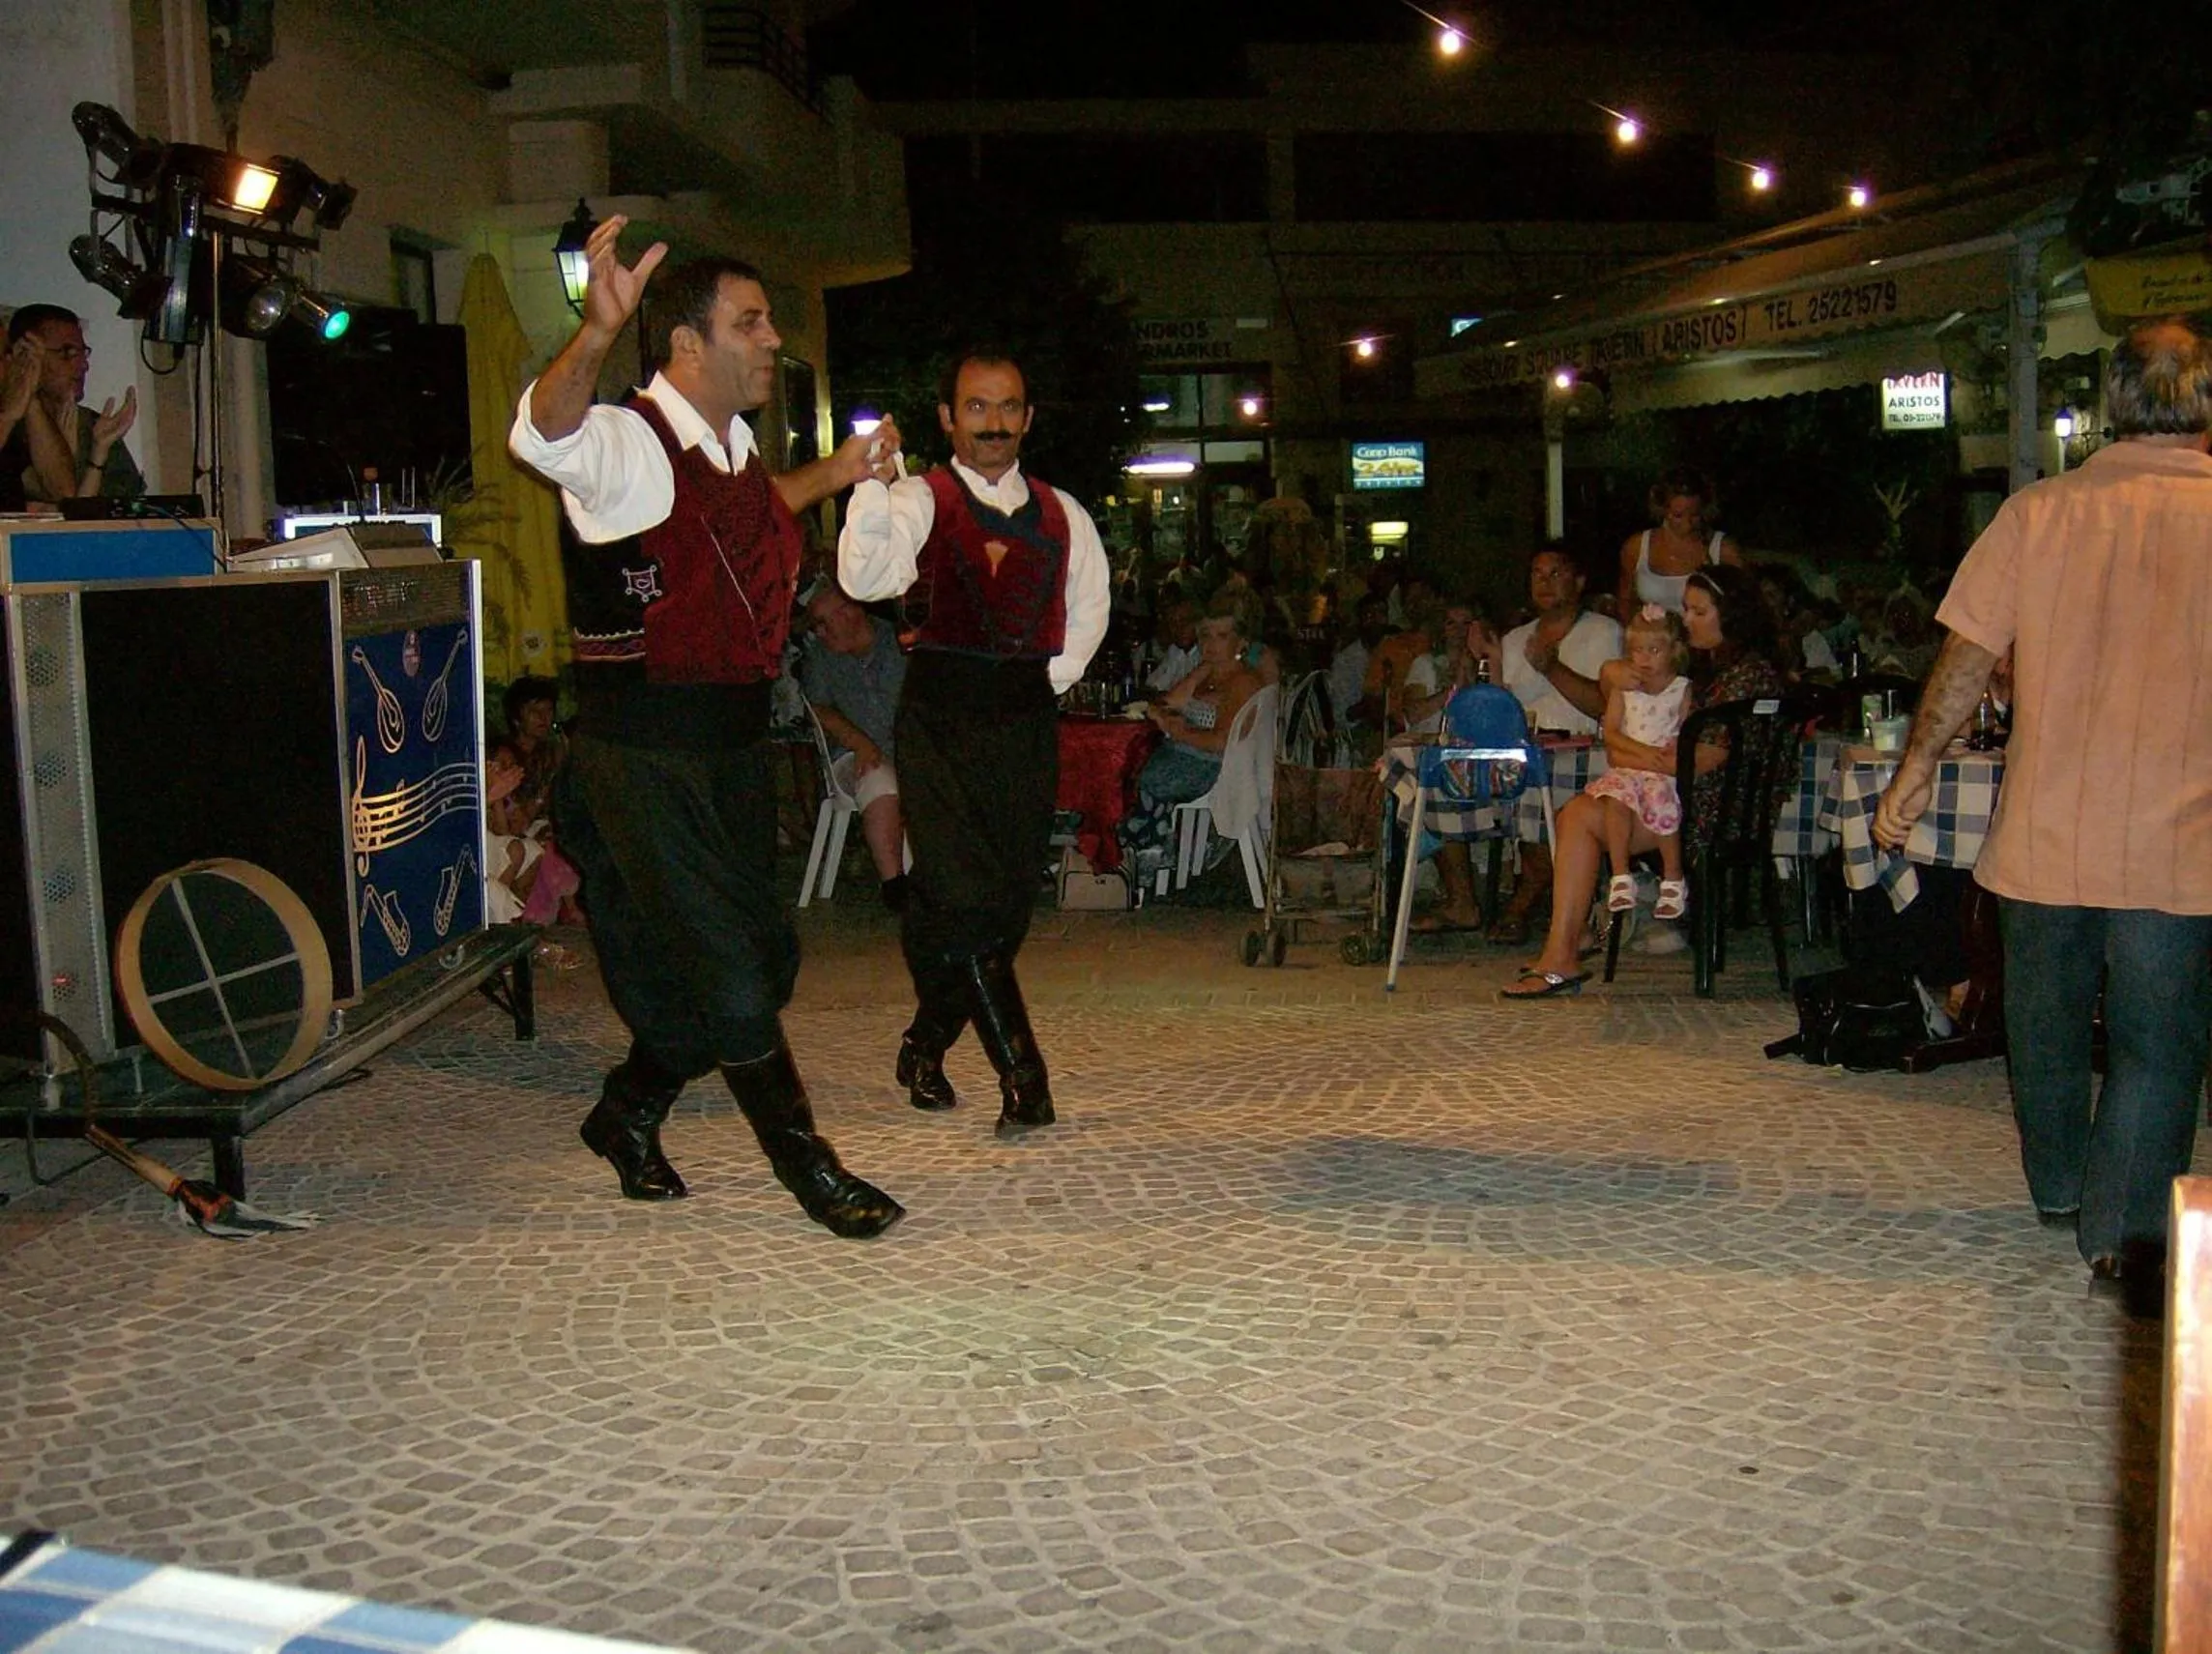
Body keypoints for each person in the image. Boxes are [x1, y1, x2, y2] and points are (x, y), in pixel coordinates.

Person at [508, 218, 902, 1237]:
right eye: (751, 322)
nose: (773, 339)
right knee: (730, 974)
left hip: (725, 748)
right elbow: (547, 433)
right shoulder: (628, 439)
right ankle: (810, 1172)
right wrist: (595, 335)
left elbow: (748, 511)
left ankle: (625, 1114)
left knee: (756, 967)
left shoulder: (726, 451)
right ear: (688, 344)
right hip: (641, 753)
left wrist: (843, 469)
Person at [1873, 317, 2212, 1311]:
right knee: (2159, 1042)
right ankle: (2117, 1231)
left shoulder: (2037, 513)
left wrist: (1914, 770)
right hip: (2178, 839)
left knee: (2044, 1017)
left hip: (2043, 829)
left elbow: (1963, 660)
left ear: (2113, 403)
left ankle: (2056, 1184)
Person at [837, 349, 1109, 1134]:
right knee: (963, 897)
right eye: (977, 408)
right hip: (940, 719)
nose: (994, 423)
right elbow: (863, 576)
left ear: (1028, 417)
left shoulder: (1064, 513)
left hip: (1024, 718)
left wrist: (1034, 683)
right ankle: (1026, 1080)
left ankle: (924, 1044)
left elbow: (1086, 612)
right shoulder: (920, 498)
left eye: (1008, 407)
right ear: (950, 418)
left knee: (1008, 904)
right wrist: (873, 486)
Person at [1503, 564, 1783, 999]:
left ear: (1731, 614)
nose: (1686, 619)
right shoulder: (1699, 668)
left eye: (1698, 611)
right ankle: (1567, 942)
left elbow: (1697, 761)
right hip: (1667, 795)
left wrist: (1631, 750)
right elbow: (1627, 728)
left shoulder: (1747, 675)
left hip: (1710, 810)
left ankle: (1564, 950)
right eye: (1685, 610)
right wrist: (1614, 683)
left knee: (1578, 816)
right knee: (1578, 812)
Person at [1474, 543, 1619, 944]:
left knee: (1546, 797)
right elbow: (1502, 711)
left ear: (1579, 581)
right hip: (1528, 755)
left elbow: (1603, 704)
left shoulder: (1604, 632)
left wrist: (1550, 667)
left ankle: (1524, 904)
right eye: (1537, 574)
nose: (1545, 582)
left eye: (1555, 573)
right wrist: (1490, 661)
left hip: (1586, 755)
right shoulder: (1515, 638)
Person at [1118, 598, 1265, 879]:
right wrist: (1202, 671)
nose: (1211, 643)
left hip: (1213, 767)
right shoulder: (1211, 673)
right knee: (1126, 766)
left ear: (1241, 642)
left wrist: (1177, 729)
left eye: (1222, 636)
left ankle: (1141, 856)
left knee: (1136, 777)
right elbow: (1169, 701)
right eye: (1205, 635)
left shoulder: (1242, 681)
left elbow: (1222, 741)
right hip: (1187, 755)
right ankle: (1143, 853)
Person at [798, 582, 911, 908]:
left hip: (908, 747)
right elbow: (817, 708)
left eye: (823, 622)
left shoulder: (899, 644)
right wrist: (858, 741)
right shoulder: (820, 658)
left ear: (851, 612)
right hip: (853, 756)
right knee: (877, 777)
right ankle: (895, 886)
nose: (819, 632)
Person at [1583, 604, 1692, 923]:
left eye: (1654, 650)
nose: (1643, 659)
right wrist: (1643, 752)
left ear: (1674, 651)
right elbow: (1612, 733)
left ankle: (1673, 876)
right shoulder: (1624, 690)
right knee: (1615, 802)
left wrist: (1670, 750)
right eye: (1636, 651)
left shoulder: (1680, 689)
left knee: (1663, 803)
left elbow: (1687, 730)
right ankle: (1621, 875)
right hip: (1631, 767)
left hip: (1661, 771)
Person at [5, 305, 142, 504]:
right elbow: (60, 495)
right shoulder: (9, 425)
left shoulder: (93, 425)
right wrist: (28, 392)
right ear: (24, 354)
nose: (83, 365)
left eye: (83, 353)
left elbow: (127, 506)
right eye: (67, 353)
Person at [1616, 469, 1741, 618]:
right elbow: (1624, 602)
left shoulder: (1723, 551)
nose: (1687, 524)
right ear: (1663, 509)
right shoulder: (1635, 548)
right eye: (1678, 516)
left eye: (1694, 515)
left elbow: (1742, 607)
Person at [1145, 596, 1202, 693]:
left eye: (1184, 621)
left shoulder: (1206, 652)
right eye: (1173, 623)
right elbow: (1153, 684)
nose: (1179, 628)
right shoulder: (1175, 650)